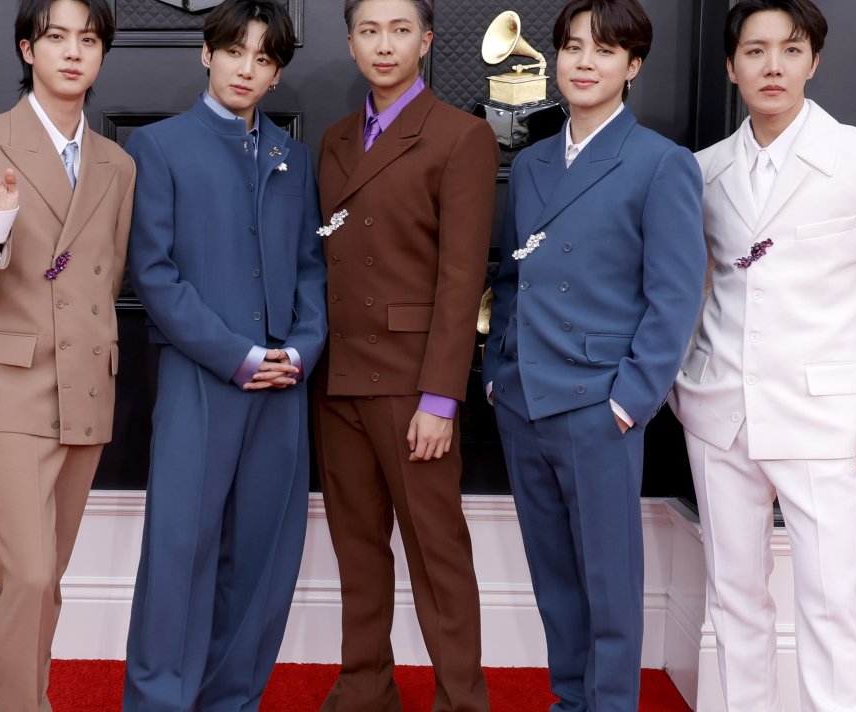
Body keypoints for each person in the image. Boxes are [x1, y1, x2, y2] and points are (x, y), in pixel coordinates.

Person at [668, 1, 856, 709]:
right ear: (731, 67)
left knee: (829, 604)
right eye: (755, 52)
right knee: (735, 601)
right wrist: (682, 385)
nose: (773, 66)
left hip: (826, 421)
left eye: (791, 51)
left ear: (813, 62)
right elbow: (687, 295)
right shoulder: (701, 172)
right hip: (717, 415)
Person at [479, 0, 705, 709]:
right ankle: (568, 701)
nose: (583, 62)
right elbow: (512, 276)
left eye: (604, 51)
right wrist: (495, 376)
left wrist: (627, 402)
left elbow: (675, 298)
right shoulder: (535, 159)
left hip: (597, 403)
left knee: (608, 585)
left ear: (632, 66)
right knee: (554, 579)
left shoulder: (660, 164)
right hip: (523, 399)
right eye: (573, 47)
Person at [120, 1, 326, 708]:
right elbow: (154, 273)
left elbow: (308, 268)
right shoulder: (159, 148)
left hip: (283, 383)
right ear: (206, 53)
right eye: (235, 50)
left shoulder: (292, 158)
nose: (247, 67)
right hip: (199, 378)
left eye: (265, 58)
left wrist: (300, 349)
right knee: (181, 554)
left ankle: (231, 699)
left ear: (275, 74)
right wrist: (235, 354)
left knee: (266, 558)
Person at [0, 0, 134, 709]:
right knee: (25, 569)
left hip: (85, 383)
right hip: (8, 382)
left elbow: (105, 276)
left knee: (48, 576)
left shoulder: (117, 163)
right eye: (56, 38)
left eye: (88, 39)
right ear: (27, 48)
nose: (72, 52)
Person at [313, 1, 498, 710]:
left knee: (437, 558)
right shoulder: (333, 140)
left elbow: (461, 280)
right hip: (338, 382)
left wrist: (441, 398)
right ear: (352, 43)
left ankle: (461, 700)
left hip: (415, 385)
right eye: (368, 30)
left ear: (424, 41)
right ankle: (364, 692)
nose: (383, 45)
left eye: (398, 30)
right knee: (358, 555)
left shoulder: (461, 136)